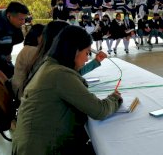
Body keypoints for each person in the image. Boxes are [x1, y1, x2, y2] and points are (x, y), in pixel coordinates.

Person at [12, 25, 123, 155]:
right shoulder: (60, 74)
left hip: (33, 144)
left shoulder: (49, 64)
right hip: (42, 149)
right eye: (86, 53)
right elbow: (100, 110)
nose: (87, 59)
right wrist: (115, 98)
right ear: (75, 51)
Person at [0, 1, 29, 78]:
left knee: (16, 76)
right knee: (4, 80)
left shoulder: (13, 21)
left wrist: (7, 53)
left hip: (3, 56)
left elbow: (19, 39)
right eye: (21, 19)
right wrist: (2, 56)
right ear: (9, 16)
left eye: (24, 19)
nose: (23, 22)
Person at [11, 24, 45, 100]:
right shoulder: (32, 51)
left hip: (19, 88)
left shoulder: (28, 48)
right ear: (38, 37)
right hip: (23, 93)